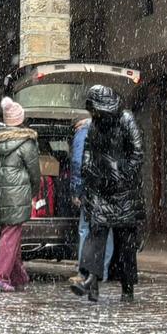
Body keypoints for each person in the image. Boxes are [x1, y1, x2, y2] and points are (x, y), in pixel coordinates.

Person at [70, 85, 145, 303]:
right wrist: (88, 172)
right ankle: (89, 281)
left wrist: (121, 173)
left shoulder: (126, 120)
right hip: (101, 189)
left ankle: (127, 287)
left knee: (126, 244)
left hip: (124, 192)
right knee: (96, 235)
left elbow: (137, 153)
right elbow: (88, 152)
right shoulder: (95, 125)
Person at [0, 96, 41, 292]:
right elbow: (34, 172)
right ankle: (0, 277)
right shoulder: (26, 143)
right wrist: (35, 191)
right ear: (20, 119)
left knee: (11, 235)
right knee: (10, 236)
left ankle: (18, 275)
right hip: (18, 195)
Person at [69, 116, 112, 286]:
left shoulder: (82, 133)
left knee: (85, 228)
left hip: (90, 188)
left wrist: (76, 190)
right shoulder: (107, 131)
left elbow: (77, 163)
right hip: (107, 188)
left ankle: (83, 271)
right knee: (106, 230)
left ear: (77, 124)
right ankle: (103, 272)